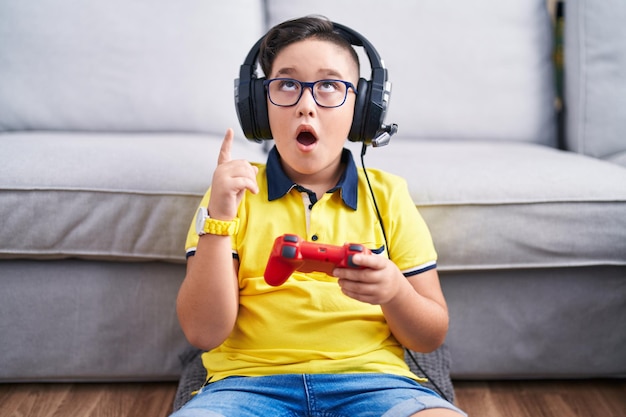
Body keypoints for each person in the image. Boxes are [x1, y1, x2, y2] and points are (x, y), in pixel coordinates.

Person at [172, 16, 466, 417]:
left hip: (376, 383)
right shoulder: (230, 196)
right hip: (246, 387)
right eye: (287, 85)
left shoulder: (389, 196)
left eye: (329, 85)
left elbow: (430, 336)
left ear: (362, 110)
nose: (306, 105)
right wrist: (220, 219)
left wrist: (394, 291)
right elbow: (203, 332)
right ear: (259, 105)